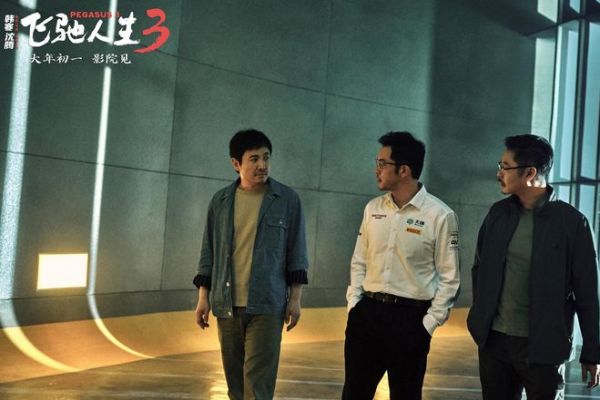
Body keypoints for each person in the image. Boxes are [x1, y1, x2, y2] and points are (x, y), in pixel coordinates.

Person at [467, 134, 600, 400]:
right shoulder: (497, 214)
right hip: (495, 343)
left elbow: (587, 293)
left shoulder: (573, 223)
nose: (499, 173)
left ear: (529, 173)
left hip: (544, 347)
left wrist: (592, 352)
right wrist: (479, 320)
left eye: (505, 167)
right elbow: (479, 270)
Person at [343, 131, 461, 400]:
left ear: (404, 170)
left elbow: (450, 278)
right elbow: (359, 261)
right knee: (354, 394)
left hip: (411, 321)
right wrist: (354, 305)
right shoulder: (372, 208)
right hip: (367, 316)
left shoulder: (440, 215)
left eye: (382, 163)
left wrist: (428, 324)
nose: (377, 169)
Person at [193, 129, 309, 400]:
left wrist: (295, 300)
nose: (262, 165)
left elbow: (297, 252)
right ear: (236, 164)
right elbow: (208, 251)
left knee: (257, 386)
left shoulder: (287, 200)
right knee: (235, 387)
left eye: (266, 158)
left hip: (267, 305)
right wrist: (203, 298)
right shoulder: (220, 201)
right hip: (226, 305)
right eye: (254, 159)